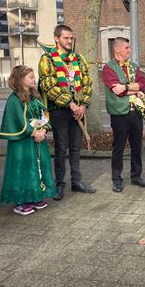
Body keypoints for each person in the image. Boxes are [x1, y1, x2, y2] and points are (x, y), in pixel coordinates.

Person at [38, 24, 95, 200]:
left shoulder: (79, 59)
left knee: (76, 149)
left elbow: (87, 83)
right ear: (56, 39)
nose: (70, 41)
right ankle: (60, 185)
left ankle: (76, 182)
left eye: (71, 38)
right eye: (66, 38)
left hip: (79, 111)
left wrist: (83, 105)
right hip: (60, 111)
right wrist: (70, 104)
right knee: (61, 149)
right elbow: (48, 85)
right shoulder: (47, 59)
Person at [0, 66, 55, 215]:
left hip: (37, 140)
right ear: (20, 79)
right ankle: (20, 201)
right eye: (30, 77)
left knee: (36, 167)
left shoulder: (34, 96)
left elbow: (43, 115)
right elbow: (18, 120)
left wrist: (44, 129)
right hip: (22, 143)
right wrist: (34, 133)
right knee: (22, 169)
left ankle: (35, 196)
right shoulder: (13, 99)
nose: (34, 79)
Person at [102, 37, 145, 192]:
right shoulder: (108, 68)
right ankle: (117, 179)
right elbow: (116, 90)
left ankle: (136, 176)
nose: (130, 50)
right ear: (118, 50)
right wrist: (135, 90)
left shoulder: (133, 67)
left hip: (135, 112)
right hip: (119, 114)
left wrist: (127, 87)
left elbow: (144, 83)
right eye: (127, 48)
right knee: (119, 147)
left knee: (137, 146)